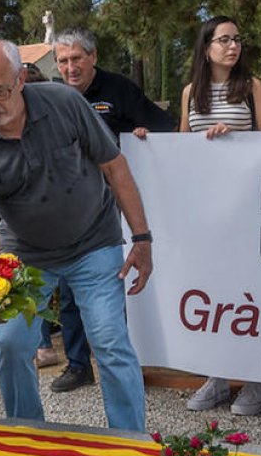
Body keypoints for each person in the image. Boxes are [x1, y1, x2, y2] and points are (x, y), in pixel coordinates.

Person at [0, 36, 153, 431]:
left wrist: (142, 239)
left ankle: (131, 441)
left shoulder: (64, 103)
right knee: (10, 344)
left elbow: (115, 167)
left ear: (21, 79)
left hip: (94, 241)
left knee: (110, 341)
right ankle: (28, 434)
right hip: (25, 255)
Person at [45, 27, 178, 393]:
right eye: (63, 61)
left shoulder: (119, 89)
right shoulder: (53, 97)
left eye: (76, 59)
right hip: (70, 204)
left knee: (117, 282)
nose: (70, 68)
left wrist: (141, 134)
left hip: (118, 202)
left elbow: (165, 126)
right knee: (70, 286)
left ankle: (131, 361)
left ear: (93, 58)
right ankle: (77, 364)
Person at [178, 16, 261, 416]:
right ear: (206, 48)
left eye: (237, 39)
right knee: (215, 294)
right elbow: (182, 146)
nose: (232, 46)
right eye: (223, 40)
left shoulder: (252, 88)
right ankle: (218, 377)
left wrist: (235, 139)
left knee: (250, 293)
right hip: (207, 209)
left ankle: (256, 380)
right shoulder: (189, 92)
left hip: (248, 206)